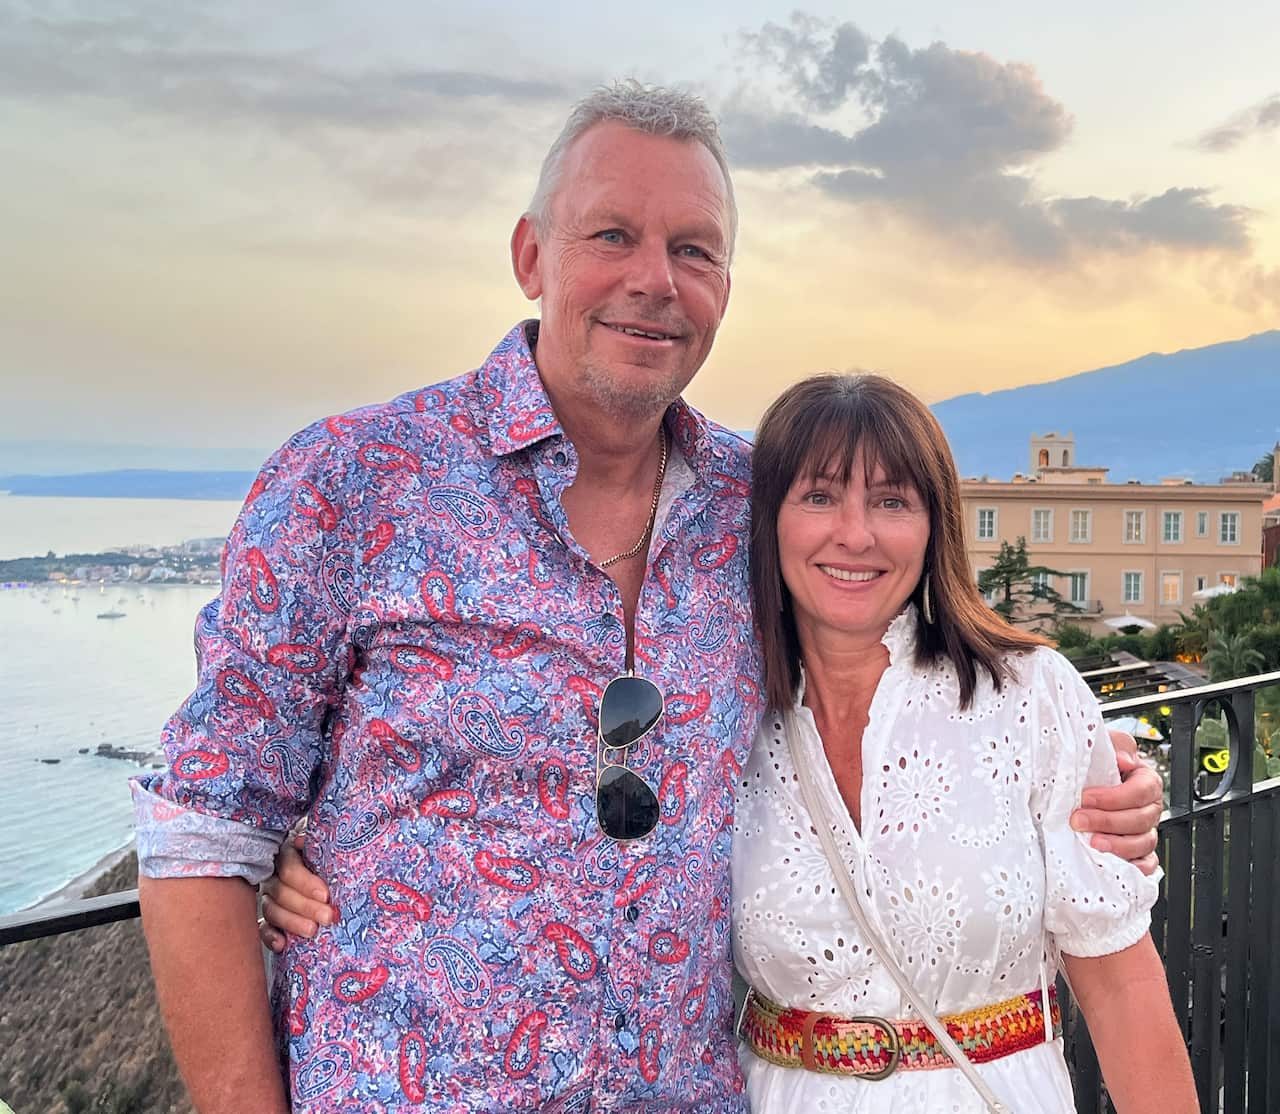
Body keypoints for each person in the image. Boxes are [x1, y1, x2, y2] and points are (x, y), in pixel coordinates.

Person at [135, 81, 1163, 1114]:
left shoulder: (758, 504)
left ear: (724, 281)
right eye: (612, 235)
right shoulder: (355, 481)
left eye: (692, 249)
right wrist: (286, 850)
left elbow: (918, 657)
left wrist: (1106, 767)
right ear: (532, 255)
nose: (653, 281)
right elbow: (202, 827)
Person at [731, 374, 1194, 1112]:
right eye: (819, 495)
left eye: (891, 501)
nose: (856, 533)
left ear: (934, 524)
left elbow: (1121, 987)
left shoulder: (1030, 696)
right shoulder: (721, 716)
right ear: (769, 520)